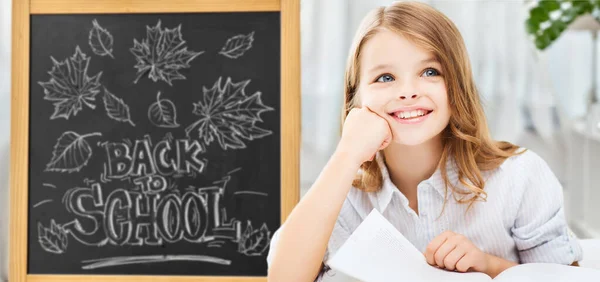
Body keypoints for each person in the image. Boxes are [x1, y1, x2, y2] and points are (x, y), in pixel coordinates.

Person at [266, 1, 583, 281]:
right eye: (385, 78)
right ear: (355, 98)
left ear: (456, 85)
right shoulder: (343, 195)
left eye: (430, 72)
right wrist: (346, 155)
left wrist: (487, 265)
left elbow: (565, 276)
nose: (407, 91)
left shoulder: (519, 177)